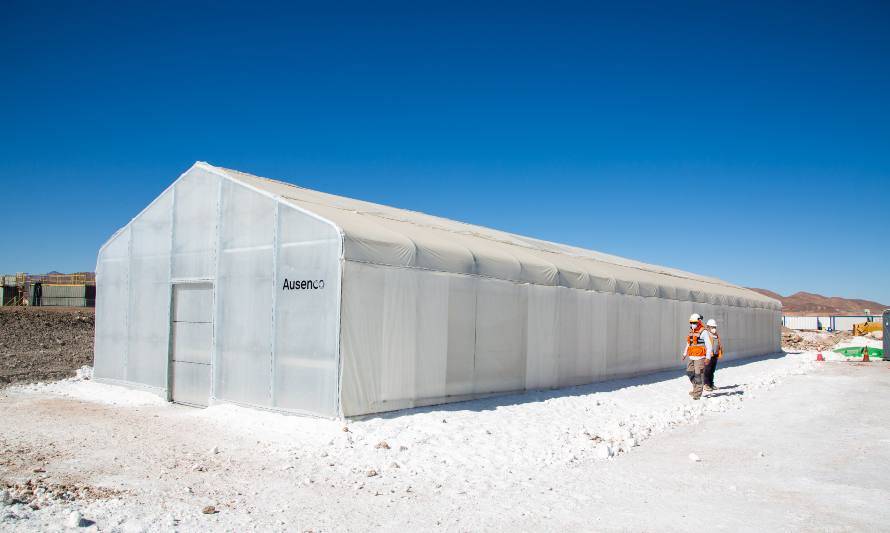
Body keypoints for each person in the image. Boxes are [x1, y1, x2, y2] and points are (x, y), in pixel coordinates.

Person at [683, 313, 713, 400]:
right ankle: (696, 388)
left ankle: (697, 393)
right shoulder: (691, 332)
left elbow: (709, 345)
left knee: (698, 375)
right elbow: (689, 343)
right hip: (691, 356)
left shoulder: (704, 332)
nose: (693, 324)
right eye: (691, 322)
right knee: (689, 372)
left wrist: (708, 358)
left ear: (699, 322)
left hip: (700, 358)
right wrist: (685, 353)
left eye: (695, 322)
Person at [703, 319, 723, 391]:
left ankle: (711, 384)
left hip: (715, 354)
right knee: (707, 370)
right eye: (712, 327)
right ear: (708, 327)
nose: (714, 328)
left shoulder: (716, 334)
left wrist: (719, 352)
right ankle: (706, 384)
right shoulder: (706, 334)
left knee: (712, 370)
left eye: (715, 327)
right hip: (708, 355)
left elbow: (718, 343)